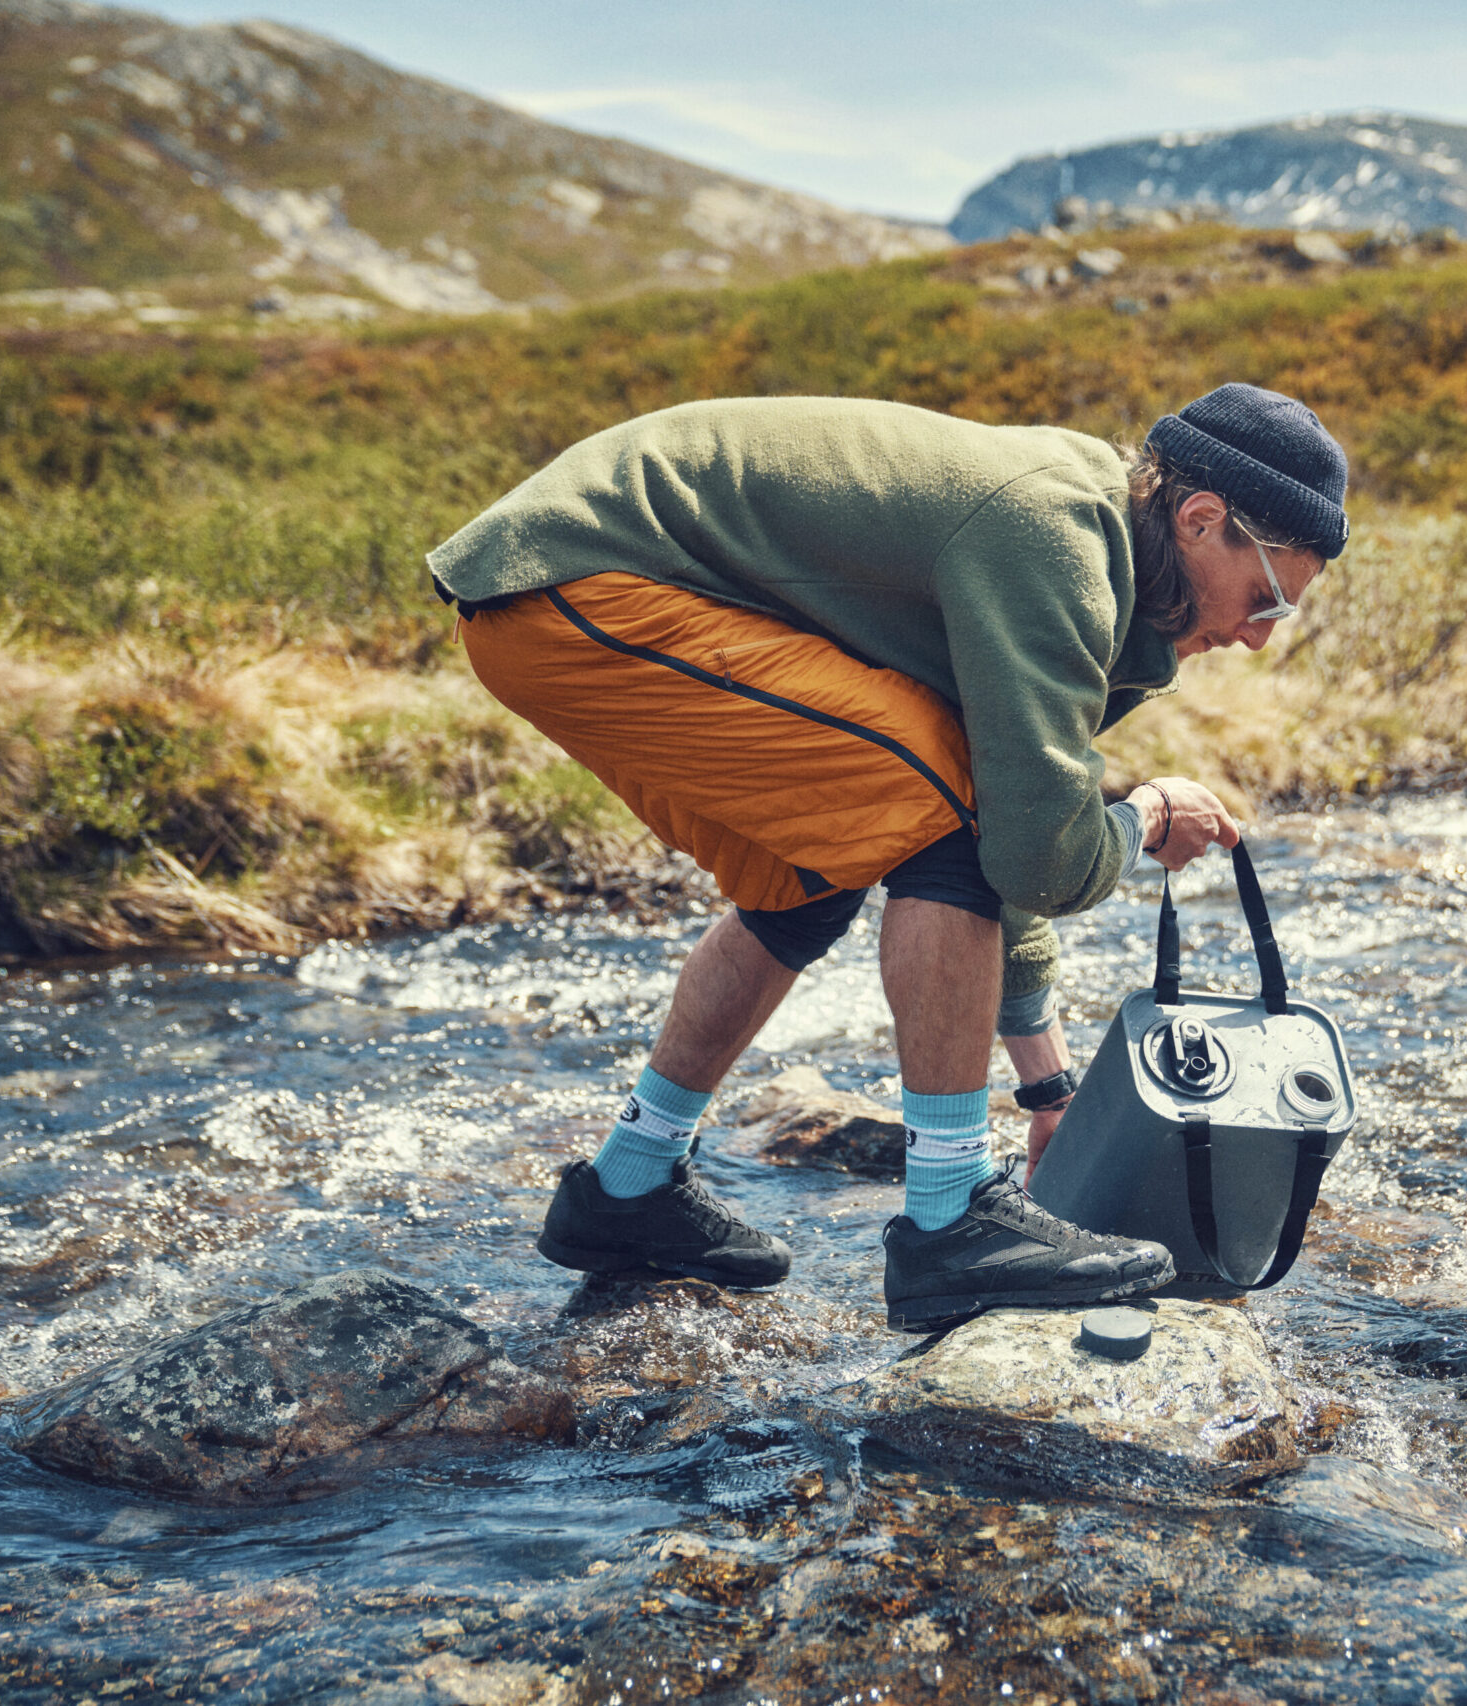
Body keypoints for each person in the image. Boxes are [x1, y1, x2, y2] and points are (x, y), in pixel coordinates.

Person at [427, 383, 1349, 1330]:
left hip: (596, 592)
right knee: (936, 815)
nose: (1254, 637)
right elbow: (1033, 854)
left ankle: (626, 1187)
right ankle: (949, 1216)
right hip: (569, 581)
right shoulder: (1058, 540)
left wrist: (1050, 1089)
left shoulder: (1113, 577)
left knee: (809, 883)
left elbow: (1012, 821)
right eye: (1266, 599)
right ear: (1201, 521)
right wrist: (1145, 816)